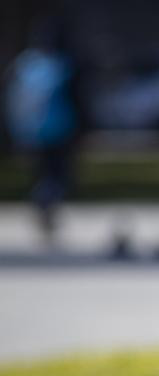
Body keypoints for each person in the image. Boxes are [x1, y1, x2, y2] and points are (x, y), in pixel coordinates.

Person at [4, 18, 84, 240]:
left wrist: (16, 130)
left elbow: (13, 99)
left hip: (32, 130)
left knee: (41, 173)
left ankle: (43, 204)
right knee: (58, 174)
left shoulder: (25, 65)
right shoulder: (63, 66)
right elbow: (78, 99)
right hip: (61, 129)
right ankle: (48, 205)